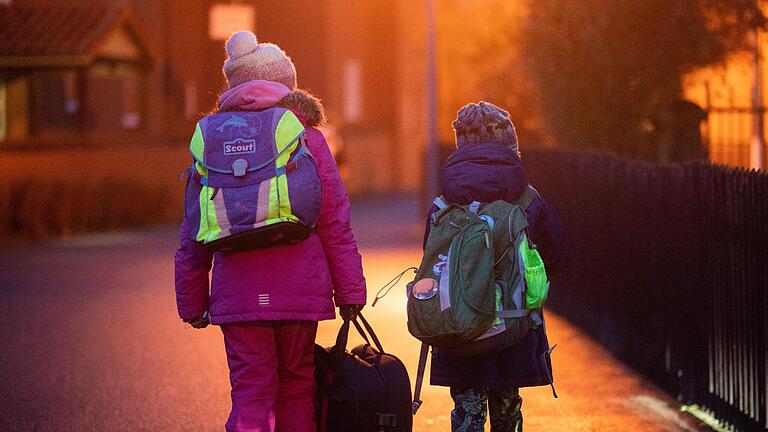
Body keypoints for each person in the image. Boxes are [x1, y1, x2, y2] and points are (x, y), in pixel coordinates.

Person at [174, 31, 366, 432]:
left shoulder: (211, 139)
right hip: (299, 288)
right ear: (285, 84)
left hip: (239, 291)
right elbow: (333, 221)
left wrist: (192, 301)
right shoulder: (305, 136)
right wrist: (350, 292)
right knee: (297, 387)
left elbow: (194, 229)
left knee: (250, 390)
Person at [423, 101, 569, 432]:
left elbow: (431, 258)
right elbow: (559, 254)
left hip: (457, 327)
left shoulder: (445, 202)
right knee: (507, 407)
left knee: (467, 409)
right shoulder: (528, 199)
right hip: (512, 327)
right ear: (510, 144)